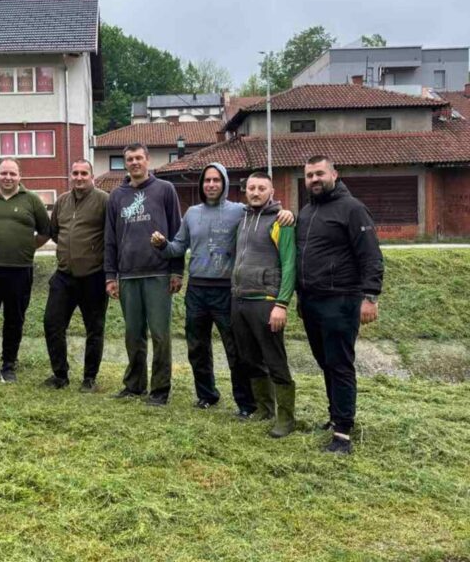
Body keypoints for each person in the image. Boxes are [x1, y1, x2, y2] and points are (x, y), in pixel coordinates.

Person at [150, 163, 293, 416]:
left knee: (236, 350)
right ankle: (207, 395)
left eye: (217, 180)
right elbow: (177, 248)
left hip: (227, 290)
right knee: (197, 347)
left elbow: (264, 206)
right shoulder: (192, 213)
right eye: (207, 181)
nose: (212, 185)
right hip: (197, 290)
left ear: (225, 183)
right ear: (201, 184)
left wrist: (287, 213)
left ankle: (246, 403)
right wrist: (163, 245)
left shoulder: (239, 211)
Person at [297, 155, 384, 454]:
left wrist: (370, 296)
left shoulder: (353, 209)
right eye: (309, 176)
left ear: (335, 173)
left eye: (319, 173)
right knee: (325, 363)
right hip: (310, 302)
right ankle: (336, 416)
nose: (314, 180)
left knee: (340, 365)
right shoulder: (307, 212)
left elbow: (371, 255)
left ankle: (343, 435)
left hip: (341, 300)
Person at [104, 143, 183, 406]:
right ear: (125, 163)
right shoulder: (116, 195)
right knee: (133, 334)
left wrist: (176, 271)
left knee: (160, 334)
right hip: (127, 275)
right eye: (129, 159)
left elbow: (177, 233)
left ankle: (160, 390)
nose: (135, 162)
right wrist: (110, 276)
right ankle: (134, 385)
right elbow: (110, 239)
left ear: (148, 160)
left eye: (139, 158)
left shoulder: (165, 190)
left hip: (158, 273)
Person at [0, 158, 50, 383]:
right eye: (4, 173)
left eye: (12, 174)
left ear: (20, 176)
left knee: (14, 319)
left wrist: (26, 247)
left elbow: (45, 231)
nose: (8, 178)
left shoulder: (32, 200)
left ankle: (9, 364)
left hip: (19, 270)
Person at [230, 172, 296, 438]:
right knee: (250, 359)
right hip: (240, 299)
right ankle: (264, 409)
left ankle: (286, 418)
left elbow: (290, 264)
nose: (255, 192)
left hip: (267, 302)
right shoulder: (242, 218)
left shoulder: (282, 221)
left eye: (261, 188)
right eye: (251, 188)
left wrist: (282, 304)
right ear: (245, 191)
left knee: (275, 360)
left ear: (271, 191)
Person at [42, 159, 109, 392]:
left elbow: (111, 236)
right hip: (64, 276)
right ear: (70, 175)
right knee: (52, 324)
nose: (79, 177)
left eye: (84, 173)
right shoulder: (62, 201)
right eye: (75, 173)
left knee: (95, 329)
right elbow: (54, 232)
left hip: (93, 277)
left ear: (92, 176)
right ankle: (60, 375)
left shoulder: (104, 200)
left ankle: (89, 378)